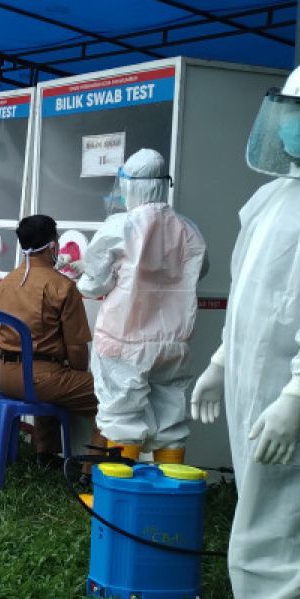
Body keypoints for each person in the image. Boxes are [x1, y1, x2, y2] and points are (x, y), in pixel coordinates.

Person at [189, 64, 300, 599]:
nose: (291, 127)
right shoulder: (269, 198)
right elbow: (251, 301)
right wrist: (220, 363)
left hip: (294, 411)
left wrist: (297, 396)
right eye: (288, 113)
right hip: (255, 399)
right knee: (257, 537)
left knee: (283, 549)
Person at [65, 149, 207, 465]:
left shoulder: (120, 226)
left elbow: (94, 284)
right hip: (172, 344)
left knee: (121, 416)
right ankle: (169, 495)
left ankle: (114, 501)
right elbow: (200, 269)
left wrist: (83, 274)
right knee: (171, 419)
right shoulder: (188, 229)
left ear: (131, 185)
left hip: (123, 340)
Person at [0, 214, 105, 460]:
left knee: (50, 371)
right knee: (110, 395)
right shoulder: (62, 287)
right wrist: (77, 374)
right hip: (38, 382)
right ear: (53, 246)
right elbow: (77, 349)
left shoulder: (5, 283)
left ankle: (46, 453)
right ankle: (91, 470)